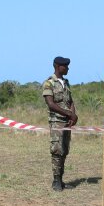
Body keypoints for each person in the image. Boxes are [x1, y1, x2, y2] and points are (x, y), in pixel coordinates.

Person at [42, 56, 77, 191]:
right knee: (57, 151)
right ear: (58, 67)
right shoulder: (49, 83)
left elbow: (70, 101)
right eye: (65, 66)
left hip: (67, 122)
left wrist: (73, 115)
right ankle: (56, 181)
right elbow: (50, 104)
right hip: (56, 121)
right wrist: (68, 113)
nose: (67, 68)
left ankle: (61, 180)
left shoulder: (66, 82)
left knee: (64, 150)